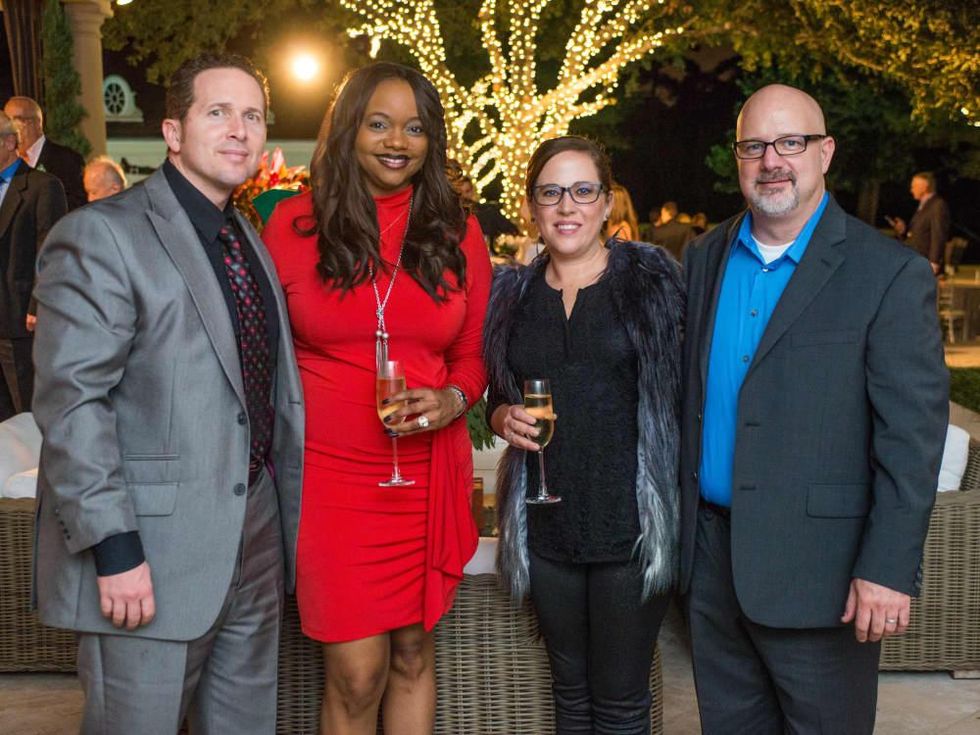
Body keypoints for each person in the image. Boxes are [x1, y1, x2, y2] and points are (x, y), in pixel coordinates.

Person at [32, 53, 305, 734]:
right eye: (218, 112)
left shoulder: (246, 238)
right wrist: (114, 547)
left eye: (252, 115)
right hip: (145, 553)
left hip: (256, 544)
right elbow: (71, 403)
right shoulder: (102, 234)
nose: (239, 129)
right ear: (174, 132)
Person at [679, 84, 948, 734]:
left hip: (824, 575)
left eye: (790, 142)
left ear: (824, 152)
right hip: (713, 566)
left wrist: (886, 568)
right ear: (738, 158)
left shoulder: (886, 273)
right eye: (754, 146)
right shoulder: (703, 257)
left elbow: (911, 439)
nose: (772, 160)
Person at [261, 62, 491, 734]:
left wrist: (454, 397)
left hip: (423, 473)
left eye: (416, 127)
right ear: (349, 129)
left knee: (414, 654)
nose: (398, 141)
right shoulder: (291, 225)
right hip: (332, 476)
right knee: (356, 672)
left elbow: (472, 354)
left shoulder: (458, 230)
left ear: (432, 140)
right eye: (380, 123)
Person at [485, 135, 684, 734]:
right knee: (569, 695)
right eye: (551, 192)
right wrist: (500, 417)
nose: (566, 206)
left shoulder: (651, 279)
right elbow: (498, 393)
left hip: (631, 523)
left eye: (581, 191)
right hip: (547, 523)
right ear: (532, 208)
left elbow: (688, 391)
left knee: (622, 701)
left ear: (605, 203)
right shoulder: (509, 293)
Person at [0, 111, 66, 422]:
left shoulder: (42, 186)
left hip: (20, 320)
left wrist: (39, 304)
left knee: (26, 412)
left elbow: (51, 250)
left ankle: (35, 470)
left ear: (9, 142)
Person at [3, 96, 86, 210]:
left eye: (12, 122)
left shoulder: (66, 160)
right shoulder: (6, 163)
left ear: (35, 123)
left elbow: (76, 206)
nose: (7, 130)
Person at [886, 171, 951, 276]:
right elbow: (919, 233)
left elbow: (938, 234)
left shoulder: (937, 205)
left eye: (914, 186)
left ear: (925, 187)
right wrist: (903, 230)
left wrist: (934, 262)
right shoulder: (924, 206)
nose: (911, 190)